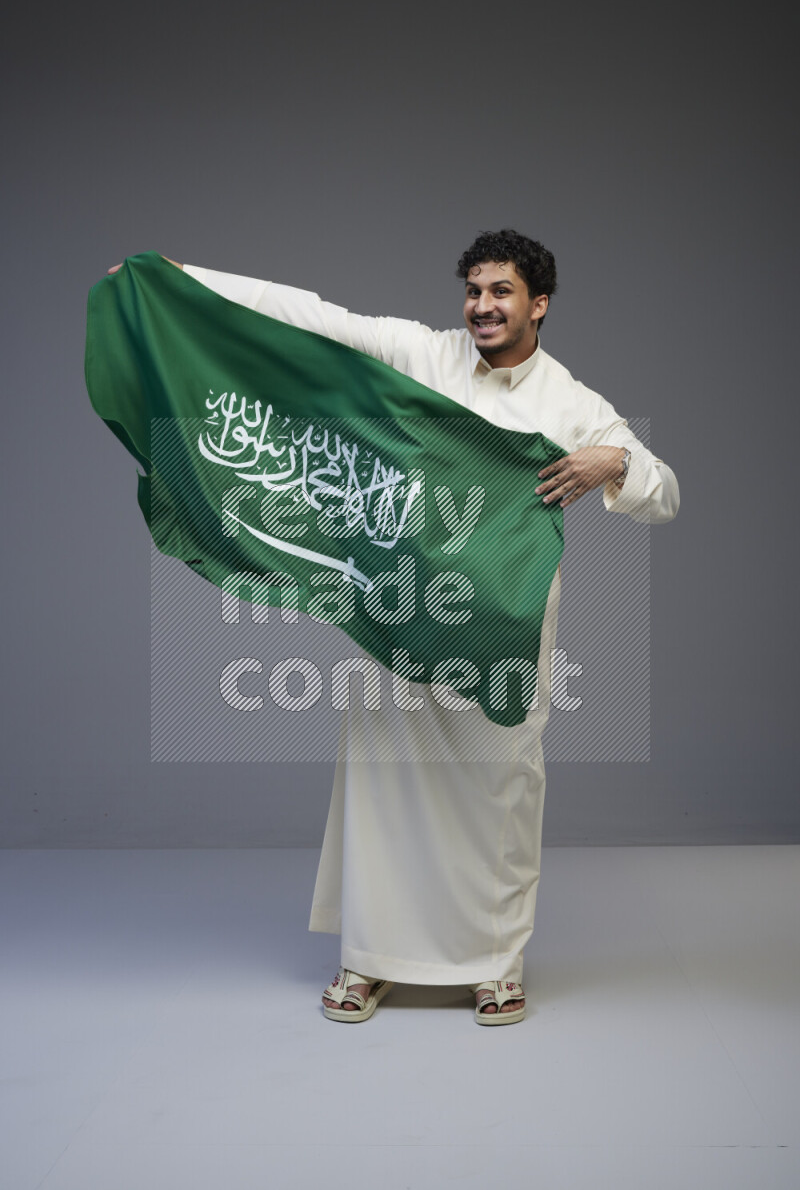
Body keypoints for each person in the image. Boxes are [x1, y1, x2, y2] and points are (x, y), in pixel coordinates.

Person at [108, 230, 679, 1024]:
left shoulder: (571, 403)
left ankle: (494, 963)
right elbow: (310, 316)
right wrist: (181, 280)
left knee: (502, 786)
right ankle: (369, 960)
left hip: (501, 632)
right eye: (474, 289)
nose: (482, 305)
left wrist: (611, 463)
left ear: (538, 304)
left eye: (500, 291)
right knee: (384, 781)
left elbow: (666, 491)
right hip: (400, 606)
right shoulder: (422, 354)